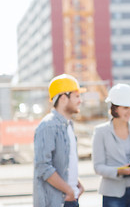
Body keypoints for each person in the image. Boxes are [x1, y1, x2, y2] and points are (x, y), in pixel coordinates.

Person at [34, 74, 86, 207]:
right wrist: (68, 189)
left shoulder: (68, 125)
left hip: (70, 198)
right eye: (76, 96)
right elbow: (43, 166)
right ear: (63, 98)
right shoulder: (48, 126)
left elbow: (64, 163)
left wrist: (76, 183)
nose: (80, 101)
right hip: (57, 202)